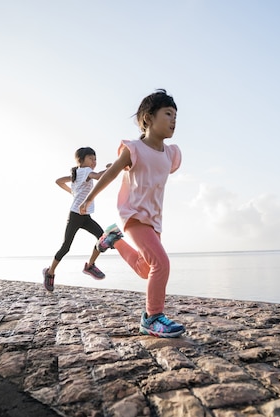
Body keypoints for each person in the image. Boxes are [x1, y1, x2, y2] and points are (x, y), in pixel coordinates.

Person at [79, 89, 185, 338]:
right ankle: (153, 318)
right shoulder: (134, 148)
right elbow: (113, 173)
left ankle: (112, 238)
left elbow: (154, 171)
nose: (173, 120)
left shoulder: (171, 154)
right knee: (162, 263)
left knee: (145, 269)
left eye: (176, 116)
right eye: (168, 114)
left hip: (154, 220)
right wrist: (90, 197)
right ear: (147, 118)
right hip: (134, 216)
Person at [42, 147, 112, 292]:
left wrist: (73, 191)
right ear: (81, 160)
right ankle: (50, 272)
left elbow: (58, 181)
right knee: (67, 246)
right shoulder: (85, 171)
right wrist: (111, 168)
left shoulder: (77, 173)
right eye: (91, 158)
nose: (94, 161)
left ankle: (90, 266)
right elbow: (99, 176)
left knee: (102, 238)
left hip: (84, 215)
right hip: (75, 215)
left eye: (95, 159)